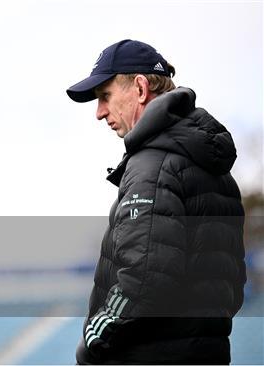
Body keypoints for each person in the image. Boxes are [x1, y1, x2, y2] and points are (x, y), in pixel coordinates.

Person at [66, 39, 246, 364]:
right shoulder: (211, 166)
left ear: (139, 88)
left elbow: (145, 280)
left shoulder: (153, 163)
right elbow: (230, 285)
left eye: (104, 96)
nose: (99, 112)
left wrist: (93, 339)